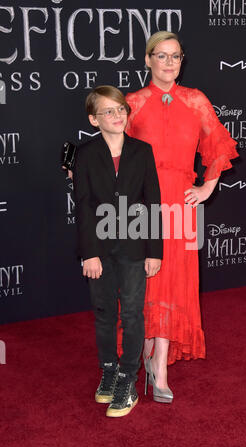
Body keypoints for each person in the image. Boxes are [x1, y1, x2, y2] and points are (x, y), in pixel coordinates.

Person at [123, 31, 239, 402]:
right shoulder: (134, 103)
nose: (169, 63)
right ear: (147, 60)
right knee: (146, 279)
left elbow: (218, 144)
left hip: (182, 204)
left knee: (175, 281)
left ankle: (159, 367)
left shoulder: (195, 101)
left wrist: (208, 186)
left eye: (175, 56)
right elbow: (114, 153)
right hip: (143, 205)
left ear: (181, 61)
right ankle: (142, 350)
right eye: (161, 56)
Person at [73, 85, 163, 417]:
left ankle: (128, 377)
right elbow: (82, 206)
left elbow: (152, 201)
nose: (117, 115)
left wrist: (155, 251)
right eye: (108, 111)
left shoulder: (142, 151)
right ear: (94, 120)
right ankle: (109, 370)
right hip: (99, 247)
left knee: (132, 313)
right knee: (103, 311)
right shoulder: (85, 154)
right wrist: (89, 253)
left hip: (136, 245)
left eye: (121, 109)